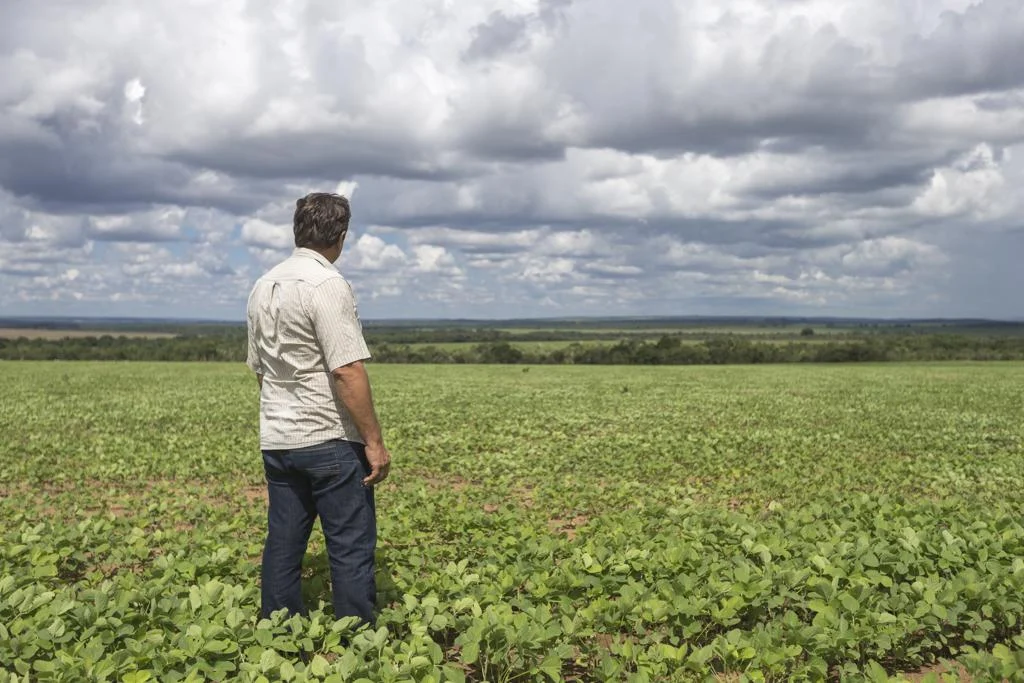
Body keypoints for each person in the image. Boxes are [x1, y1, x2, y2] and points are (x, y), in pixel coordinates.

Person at [245, 191, 391, 626]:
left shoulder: (262, 285)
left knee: (283, 542)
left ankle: (279, 633)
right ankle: (357, 640)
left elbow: (260, 370)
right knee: (350, 545)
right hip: (329, 438)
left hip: (278, 438)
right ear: (341, 236)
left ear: (297, 231)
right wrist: (374, 442)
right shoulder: (327, 284)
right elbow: (347, 370)